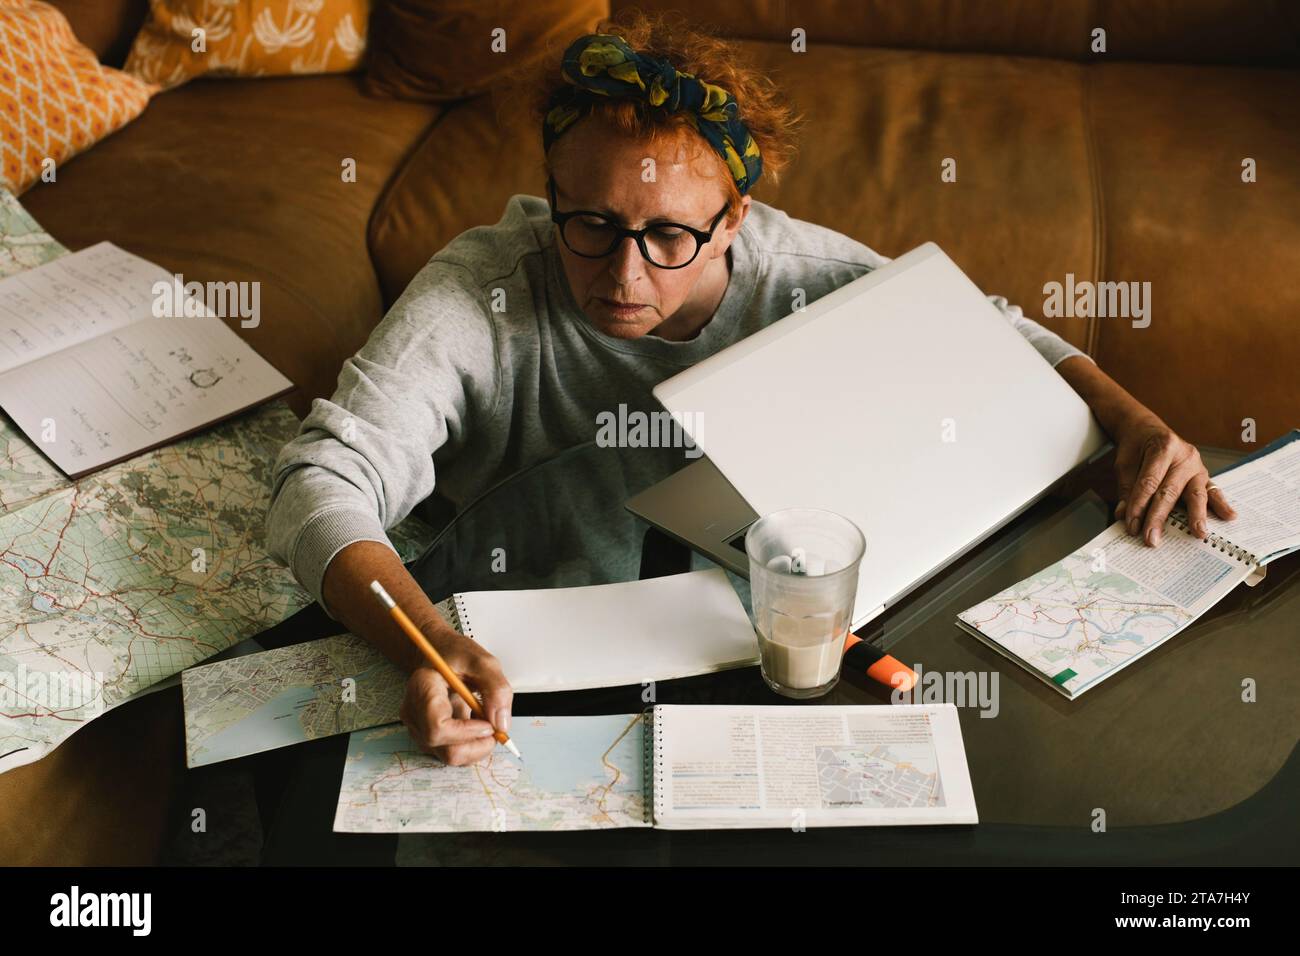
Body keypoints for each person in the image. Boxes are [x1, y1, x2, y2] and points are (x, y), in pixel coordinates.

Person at [265, 12, 1235, 767]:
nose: (624, 275)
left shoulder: (801, 266)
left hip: (712, 618)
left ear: (734, 219)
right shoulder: (480, 285)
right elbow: (320, 480)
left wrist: (1137, 422)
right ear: (552, 191)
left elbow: (989, 326)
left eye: (670, 236)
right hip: (491, 603)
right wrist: (428, 645)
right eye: (590, 223)